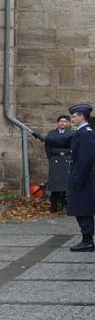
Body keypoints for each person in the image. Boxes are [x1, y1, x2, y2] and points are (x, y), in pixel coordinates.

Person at [65, 102, 95, 252]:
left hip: (83, 178)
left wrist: (79, 179)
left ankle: (87, 240)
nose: (72, 119)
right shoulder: (80, 132)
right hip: (80, 176)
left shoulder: (86, 133)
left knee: (83, 208)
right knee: (81, 208)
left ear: (82, 116)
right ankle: (87, 239)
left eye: (74, 116)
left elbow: (86, 158)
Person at [33, 115, 73, 212]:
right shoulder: (52, 133)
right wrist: (51, 157)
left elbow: (73, 146)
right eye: (60, 121)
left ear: (67, 123)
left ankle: (65, 204)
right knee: (54, 184)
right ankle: (54, 205)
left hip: (67, 160)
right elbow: (48, 147)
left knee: (66, 184)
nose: (62, 123)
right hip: (55, 160)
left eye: (64, 121)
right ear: (57, 123)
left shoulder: (72, 134)